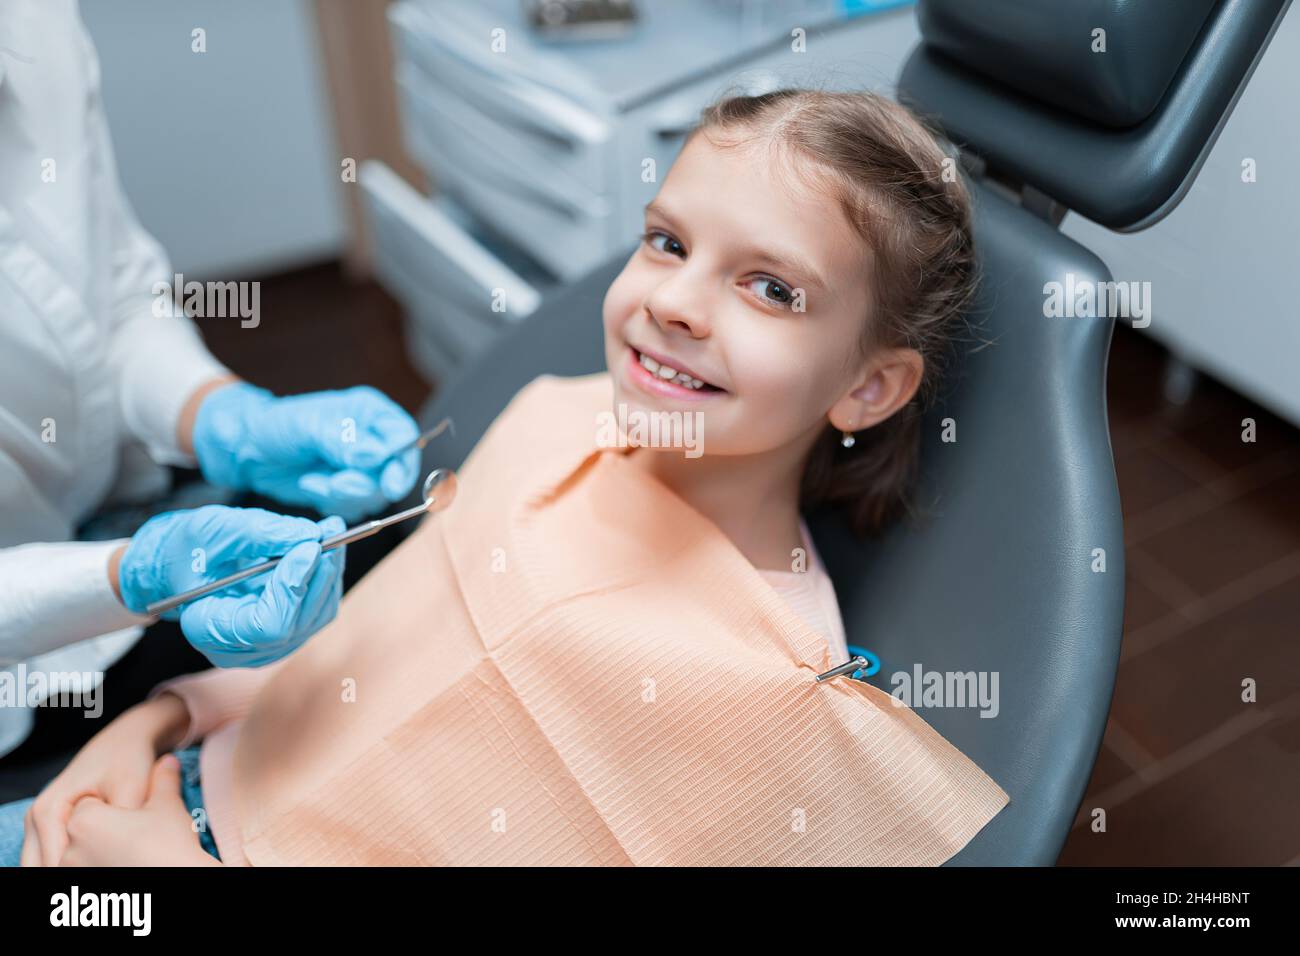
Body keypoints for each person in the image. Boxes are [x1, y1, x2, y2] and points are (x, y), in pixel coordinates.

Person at [1, 87, 1005, 867]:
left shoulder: (768, 694)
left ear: (869, 386)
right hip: (144, 794)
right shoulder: (555, 416)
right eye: (667, 241)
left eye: (771, 287)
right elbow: (353, 656)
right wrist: (155, 719)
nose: (678, 302)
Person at [0, 0, 421, 763]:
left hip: (103, 527)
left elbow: (115, 296)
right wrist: (131, 579)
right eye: (665, 243)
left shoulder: (30, 21)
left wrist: (223, 415)